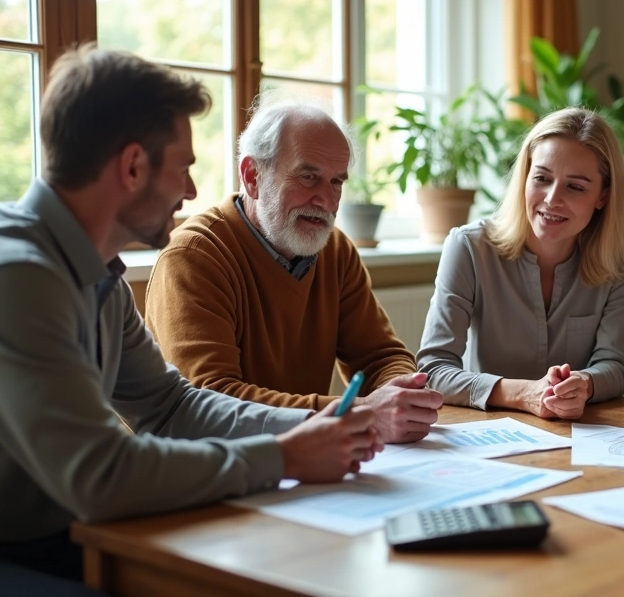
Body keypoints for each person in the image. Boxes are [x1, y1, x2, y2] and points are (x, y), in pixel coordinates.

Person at [0, 46, 381, 596]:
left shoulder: (97, 275)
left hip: (69, 535)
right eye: (184, 168)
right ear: (131, 167)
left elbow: (171, 406)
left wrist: (309, 429)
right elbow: (102, 474)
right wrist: (284, 455)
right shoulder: (10, 279)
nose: (191, 191)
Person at [144, 99, 442, 444]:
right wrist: (359, 414)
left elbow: (380, 356)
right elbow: (211, 401)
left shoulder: (335, 250)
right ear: (252, 176)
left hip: (303, 466)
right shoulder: (194, 257)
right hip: (208, 473)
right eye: (308, 177)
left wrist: (401, 392)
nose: (326, 201)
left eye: (336, 182)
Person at [417, 107, 624, 419]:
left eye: (575, 186)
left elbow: (615, 364)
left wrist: (585, 384)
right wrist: (524, 394)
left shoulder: (623, 258)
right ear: (524, 177)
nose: (552, 198)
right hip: (485, 432)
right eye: (541, 178)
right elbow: (433, 370)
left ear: (603, 196)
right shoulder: (469, 247)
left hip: (578, 433)